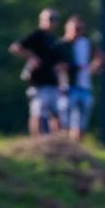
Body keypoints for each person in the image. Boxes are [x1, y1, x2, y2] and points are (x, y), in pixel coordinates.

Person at [10, 8, 69, 137]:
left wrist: (62, 79)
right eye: (49, 19)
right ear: (42, 20)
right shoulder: (37, 35)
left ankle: (56, 142)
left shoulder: (53, 39)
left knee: (55, 113)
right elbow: (15, 47)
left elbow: (60, 62)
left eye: (54, 19)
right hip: (38, 82)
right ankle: (36, 142)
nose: (52, 22)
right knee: (37, 112)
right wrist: (31, 56)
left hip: (52, 82)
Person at [61, 16, 103, 143]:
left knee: (81, 122)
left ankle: (77, 150)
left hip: (84, 86)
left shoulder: (86, 43)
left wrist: (93, 68)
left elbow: (100, 56)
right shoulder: (61, 44)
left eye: (81, 28)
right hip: (67, 87)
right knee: (65, 121)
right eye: (76, 28)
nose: (78, 31)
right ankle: (64, 147)